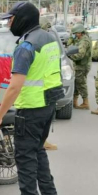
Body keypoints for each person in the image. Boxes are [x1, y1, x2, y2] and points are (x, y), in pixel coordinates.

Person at [0, 2, 63, 195]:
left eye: (10, 19)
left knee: (24, 157)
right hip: (48, 105)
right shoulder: (49, 38)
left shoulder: (26, 46)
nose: (9, 23)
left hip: (31, 108)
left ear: (22, 18)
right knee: (37, 151)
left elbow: (14, 86)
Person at [39, 16, 59, 151]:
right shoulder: (47, 41)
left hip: (46, 88)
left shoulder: (45, 41)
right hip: (44, 89)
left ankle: (43, 141)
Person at [67, 24, 92, 110]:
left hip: (82, 65)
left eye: (75, 33)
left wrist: (69, 56)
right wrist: (71, 38)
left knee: (81, 84)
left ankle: (85, 102)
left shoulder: (84, 41)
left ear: (80, 33)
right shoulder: (78, 39)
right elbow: (68, 44)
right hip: (78, 65)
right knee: (76, 83)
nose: (74, 35)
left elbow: (80, 55)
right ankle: (75, 102)